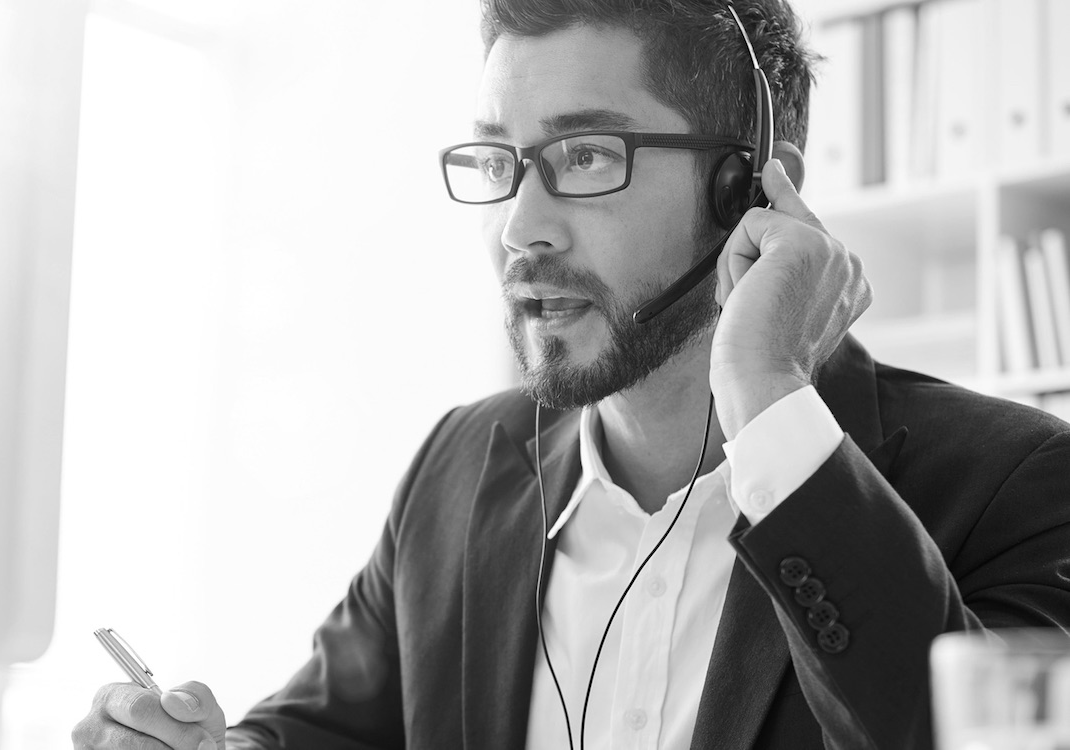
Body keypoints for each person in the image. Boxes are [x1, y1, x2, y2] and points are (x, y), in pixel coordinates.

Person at [72, 1, 1070, 748]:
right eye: (500, 160)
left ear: (755, 186)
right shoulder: (461, 468)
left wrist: (767, 393)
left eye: (585, 156)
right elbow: (325, 732)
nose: (521, 226)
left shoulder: (1016, 483)